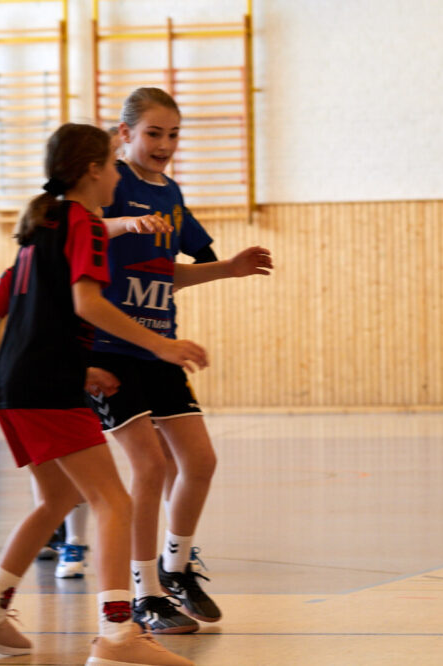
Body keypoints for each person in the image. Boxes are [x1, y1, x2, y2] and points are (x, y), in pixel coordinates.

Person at [0, 122, 202, 664]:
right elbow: (87, 304)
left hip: (17, 385)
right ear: (93, 169)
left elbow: (12, 308)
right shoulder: (82, 223)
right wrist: (162, 345)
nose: (118, 174)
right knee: (113, 499)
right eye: (112, 164)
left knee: (57, 499)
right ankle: (118, 635)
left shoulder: (40, 227)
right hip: (45, 387)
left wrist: (69, 363)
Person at [86, 86, 272, 635]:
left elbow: (167, 272)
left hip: (160, 344)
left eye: (173, 134)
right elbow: (77, 234)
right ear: (126, 135)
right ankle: (145, 594)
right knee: (150, 466)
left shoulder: (171, 193)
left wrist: (227, 268)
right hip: (110, 349)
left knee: (200, 461)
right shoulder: (109, 185)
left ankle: (175, 567)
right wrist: (124, 225)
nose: (165, 144)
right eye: (153, 133)